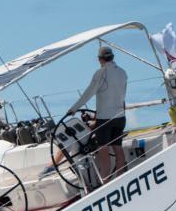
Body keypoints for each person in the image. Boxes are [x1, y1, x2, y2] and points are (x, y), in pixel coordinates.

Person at [44, 46, 128, 181]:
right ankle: (122, 178)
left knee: (104, 151)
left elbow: (88, 93)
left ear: (100, 59)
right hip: (120, 118)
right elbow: (120, 97)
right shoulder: (123, 73)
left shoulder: (101, 73)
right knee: (118, 149)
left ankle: (106, 183)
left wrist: (74, 109)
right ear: (112, 57)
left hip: (105, 120)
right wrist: (94, 116)